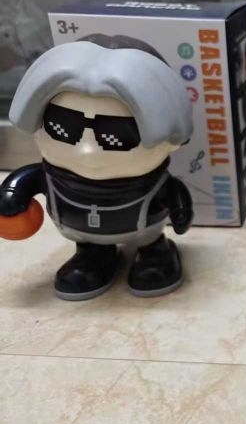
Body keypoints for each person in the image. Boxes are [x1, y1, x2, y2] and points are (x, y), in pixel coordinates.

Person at [0, 40, 193, 300]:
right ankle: (92, 256)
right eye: (63, 128)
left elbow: (173, 191)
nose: (87, 151)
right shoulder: (51, 175)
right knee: (88, 261)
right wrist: (12, 197)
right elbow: (24, 183)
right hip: (80, 229)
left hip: (145, 226)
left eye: (115, 136)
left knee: (153, 258)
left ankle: (155, 252)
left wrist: (180, 210)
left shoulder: (155, 180)